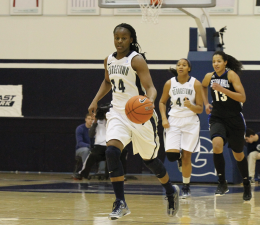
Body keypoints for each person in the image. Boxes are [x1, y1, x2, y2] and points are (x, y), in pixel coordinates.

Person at [88, 23, 179, 220]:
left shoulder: (136, 60)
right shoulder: (109, 60)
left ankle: (170, 191)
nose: (119, 41)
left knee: (150, 161)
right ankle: (120, 202)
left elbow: (150, 87)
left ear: (131, 39)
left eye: (124, 38)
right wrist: (95, 100)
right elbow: (107, 81)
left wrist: (149, 102)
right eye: (117, 37)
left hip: (140, 115)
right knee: (112, 150)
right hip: (118, 113)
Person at [201, 50, 251, 201]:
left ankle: (246, 182)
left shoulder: (231, 75)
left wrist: (223, 89)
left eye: (219, 61)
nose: (216, 64)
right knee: (217, 144)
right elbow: (202, 86)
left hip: (234, 119)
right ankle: (222, 182)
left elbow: (242, 97)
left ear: (225, 62)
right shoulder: (209, 76)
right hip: (217, 117)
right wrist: (205, 103)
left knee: (238, 154)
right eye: (214, 62)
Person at [159, 59, 203, 199]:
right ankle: (178, 158)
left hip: (191, 121)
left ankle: (186, 187)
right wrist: (164, 118)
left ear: (189, 68)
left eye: (184, 65)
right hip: (174, 120)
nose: (181, 67)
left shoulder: (196, 83)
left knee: (187, 157)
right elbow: (162, 102)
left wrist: (191, 106)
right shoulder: (169, 83)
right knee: (172, 156)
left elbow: (200, 109)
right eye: (179, 65)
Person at [72, 113, 93, 180]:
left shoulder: (96, 129)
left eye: (92, 119)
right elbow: (80, 143)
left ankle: (102, 172)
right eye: (89, 119)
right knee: (86, 150)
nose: (90, 121)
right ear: (85, 119)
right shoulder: (80, 128)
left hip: (93, 149)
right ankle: (85, 172)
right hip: (80, 149)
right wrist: (90, 146)